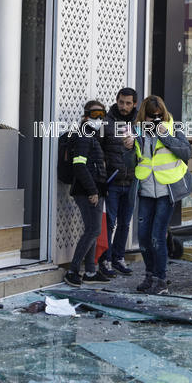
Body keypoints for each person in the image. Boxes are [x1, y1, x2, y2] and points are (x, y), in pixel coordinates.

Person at [124, 95, 191, 295]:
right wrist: (127, 149)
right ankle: (149, 275)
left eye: (158, 116)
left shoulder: (172, 128)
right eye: (151, 117)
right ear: (143, 116)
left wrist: (165, 135)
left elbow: (186, 152)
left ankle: (161, 280)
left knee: (157, 237)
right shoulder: (137, 132)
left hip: (165, 190)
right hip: (145, 190)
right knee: (143, 238)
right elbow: (130, 164)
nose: (154, 120)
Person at [63, 101, 110, 287]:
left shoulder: (91, 136)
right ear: (85, 116)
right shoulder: (84, 136)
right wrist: (92, 191)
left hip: (95, 190)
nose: (99, 118)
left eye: (102, 114)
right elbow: (79, 165)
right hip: (87, 191)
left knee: (93, 230)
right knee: (93, 230)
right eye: (95, 114)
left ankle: (90, 271)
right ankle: (73, 271)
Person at [98, 87, 139, 278]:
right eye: (121, 102)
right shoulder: (106, 122)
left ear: (135, 104)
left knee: (125, 223)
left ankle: (118, 258)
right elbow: (97, 150)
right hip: (112, 181)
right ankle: (104, 260)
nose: (124, 106)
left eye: (128, 103)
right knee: (110, 223)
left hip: (132, 181)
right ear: (116, 100)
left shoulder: (140, 123)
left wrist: (136, 142)